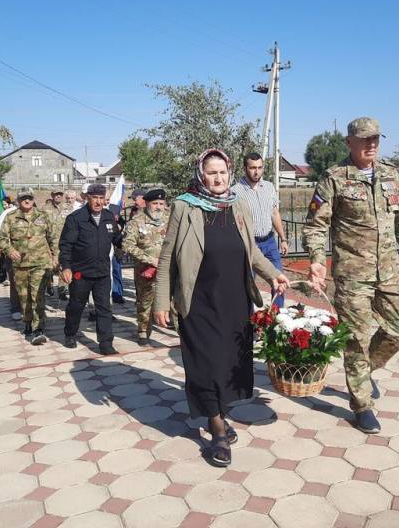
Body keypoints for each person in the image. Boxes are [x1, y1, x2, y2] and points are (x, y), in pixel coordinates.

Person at [153, 149, 290, 467]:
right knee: (206, 365)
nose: (218, 178)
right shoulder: (184, 206)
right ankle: (216, 428)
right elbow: (166, 257)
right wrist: (161, 301)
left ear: (229, 174)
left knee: (230, 363)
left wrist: (274, 274)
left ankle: (220, 414)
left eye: (223, 173)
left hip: (234, 301)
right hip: (198, 302)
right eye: (212, 173)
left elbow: (251, 251)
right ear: (202, 174)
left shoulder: (237, 204)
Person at [302, 117, 399, 434]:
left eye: (376, 139)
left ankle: (365, 372)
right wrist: (316, 259)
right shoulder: (334, 179)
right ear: (349, 142)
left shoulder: (392, 175)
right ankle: (362, 405)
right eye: (365, 139)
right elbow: (315, 226)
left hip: (389, 269)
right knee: (357, 339)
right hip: (353, 273)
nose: (372, 144)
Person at [59, 183, 120, 355]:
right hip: (81, 272)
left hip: (102, 272)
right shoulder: (76, 218)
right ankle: (70, 333)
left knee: (104, 308)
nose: (99, 202)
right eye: (95, 198)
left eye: (102, 198)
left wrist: (128, 240)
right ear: (87, 198)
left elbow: (117, 239)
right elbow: (66, 246)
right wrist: (66, 267)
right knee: (76, 306)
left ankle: (106, 343)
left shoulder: (109, 217)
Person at [0, 188, 57, 345]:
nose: (27, 200)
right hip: (20, 265)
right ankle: (28, 323)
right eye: (23, 198)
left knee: (37, 296)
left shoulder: (43, 216)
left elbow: (52, 238)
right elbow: (2, 239)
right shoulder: (10, 217)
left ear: (33, 199)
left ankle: (39, 328)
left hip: (41, 264)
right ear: (18, 200)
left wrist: (55, 256)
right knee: (24, 296)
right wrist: (10, 250)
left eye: (29, 198)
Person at [233, 152, 290, 307]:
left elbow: (274, 213)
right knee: (248, 287)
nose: (256, 171)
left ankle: (277, 321)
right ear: (245, 168)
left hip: (270, 242)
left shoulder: (269, 187)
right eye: (252, 168)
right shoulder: (236, 192)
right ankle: (249, 323)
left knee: (279, 281)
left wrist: (283, 238)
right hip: (250, 245)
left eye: (259, 167)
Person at [122, 188, 172, 345]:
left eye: (161, 203)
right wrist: (149, 259)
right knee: (145, 301)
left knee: (175, 300)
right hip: (146, 270)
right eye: (155, 203)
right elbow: (127, 246)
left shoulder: (171, 219)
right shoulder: (136, 222)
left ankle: (178, 327)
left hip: (170, 268)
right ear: (147, 204)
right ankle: (143, 330)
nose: (158, 207)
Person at [0, 197, 22, 320]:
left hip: (32, 256)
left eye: (29, 198)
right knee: (15, 282)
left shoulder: (36, 213)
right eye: (23, 198)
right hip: (13, 254)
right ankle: (16, 307)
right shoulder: (8, 214)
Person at [45, 190, 67, 298]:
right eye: (56, 194)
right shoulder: (45, 209)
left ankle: (62, 291)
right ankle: (49, 286)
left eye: (60, 194)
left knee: (64, 266)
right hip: (50, 244)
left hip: (65, 244)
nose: (58, 196)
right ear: (52, 195)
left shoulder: (68, 209)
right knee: (49, 268)